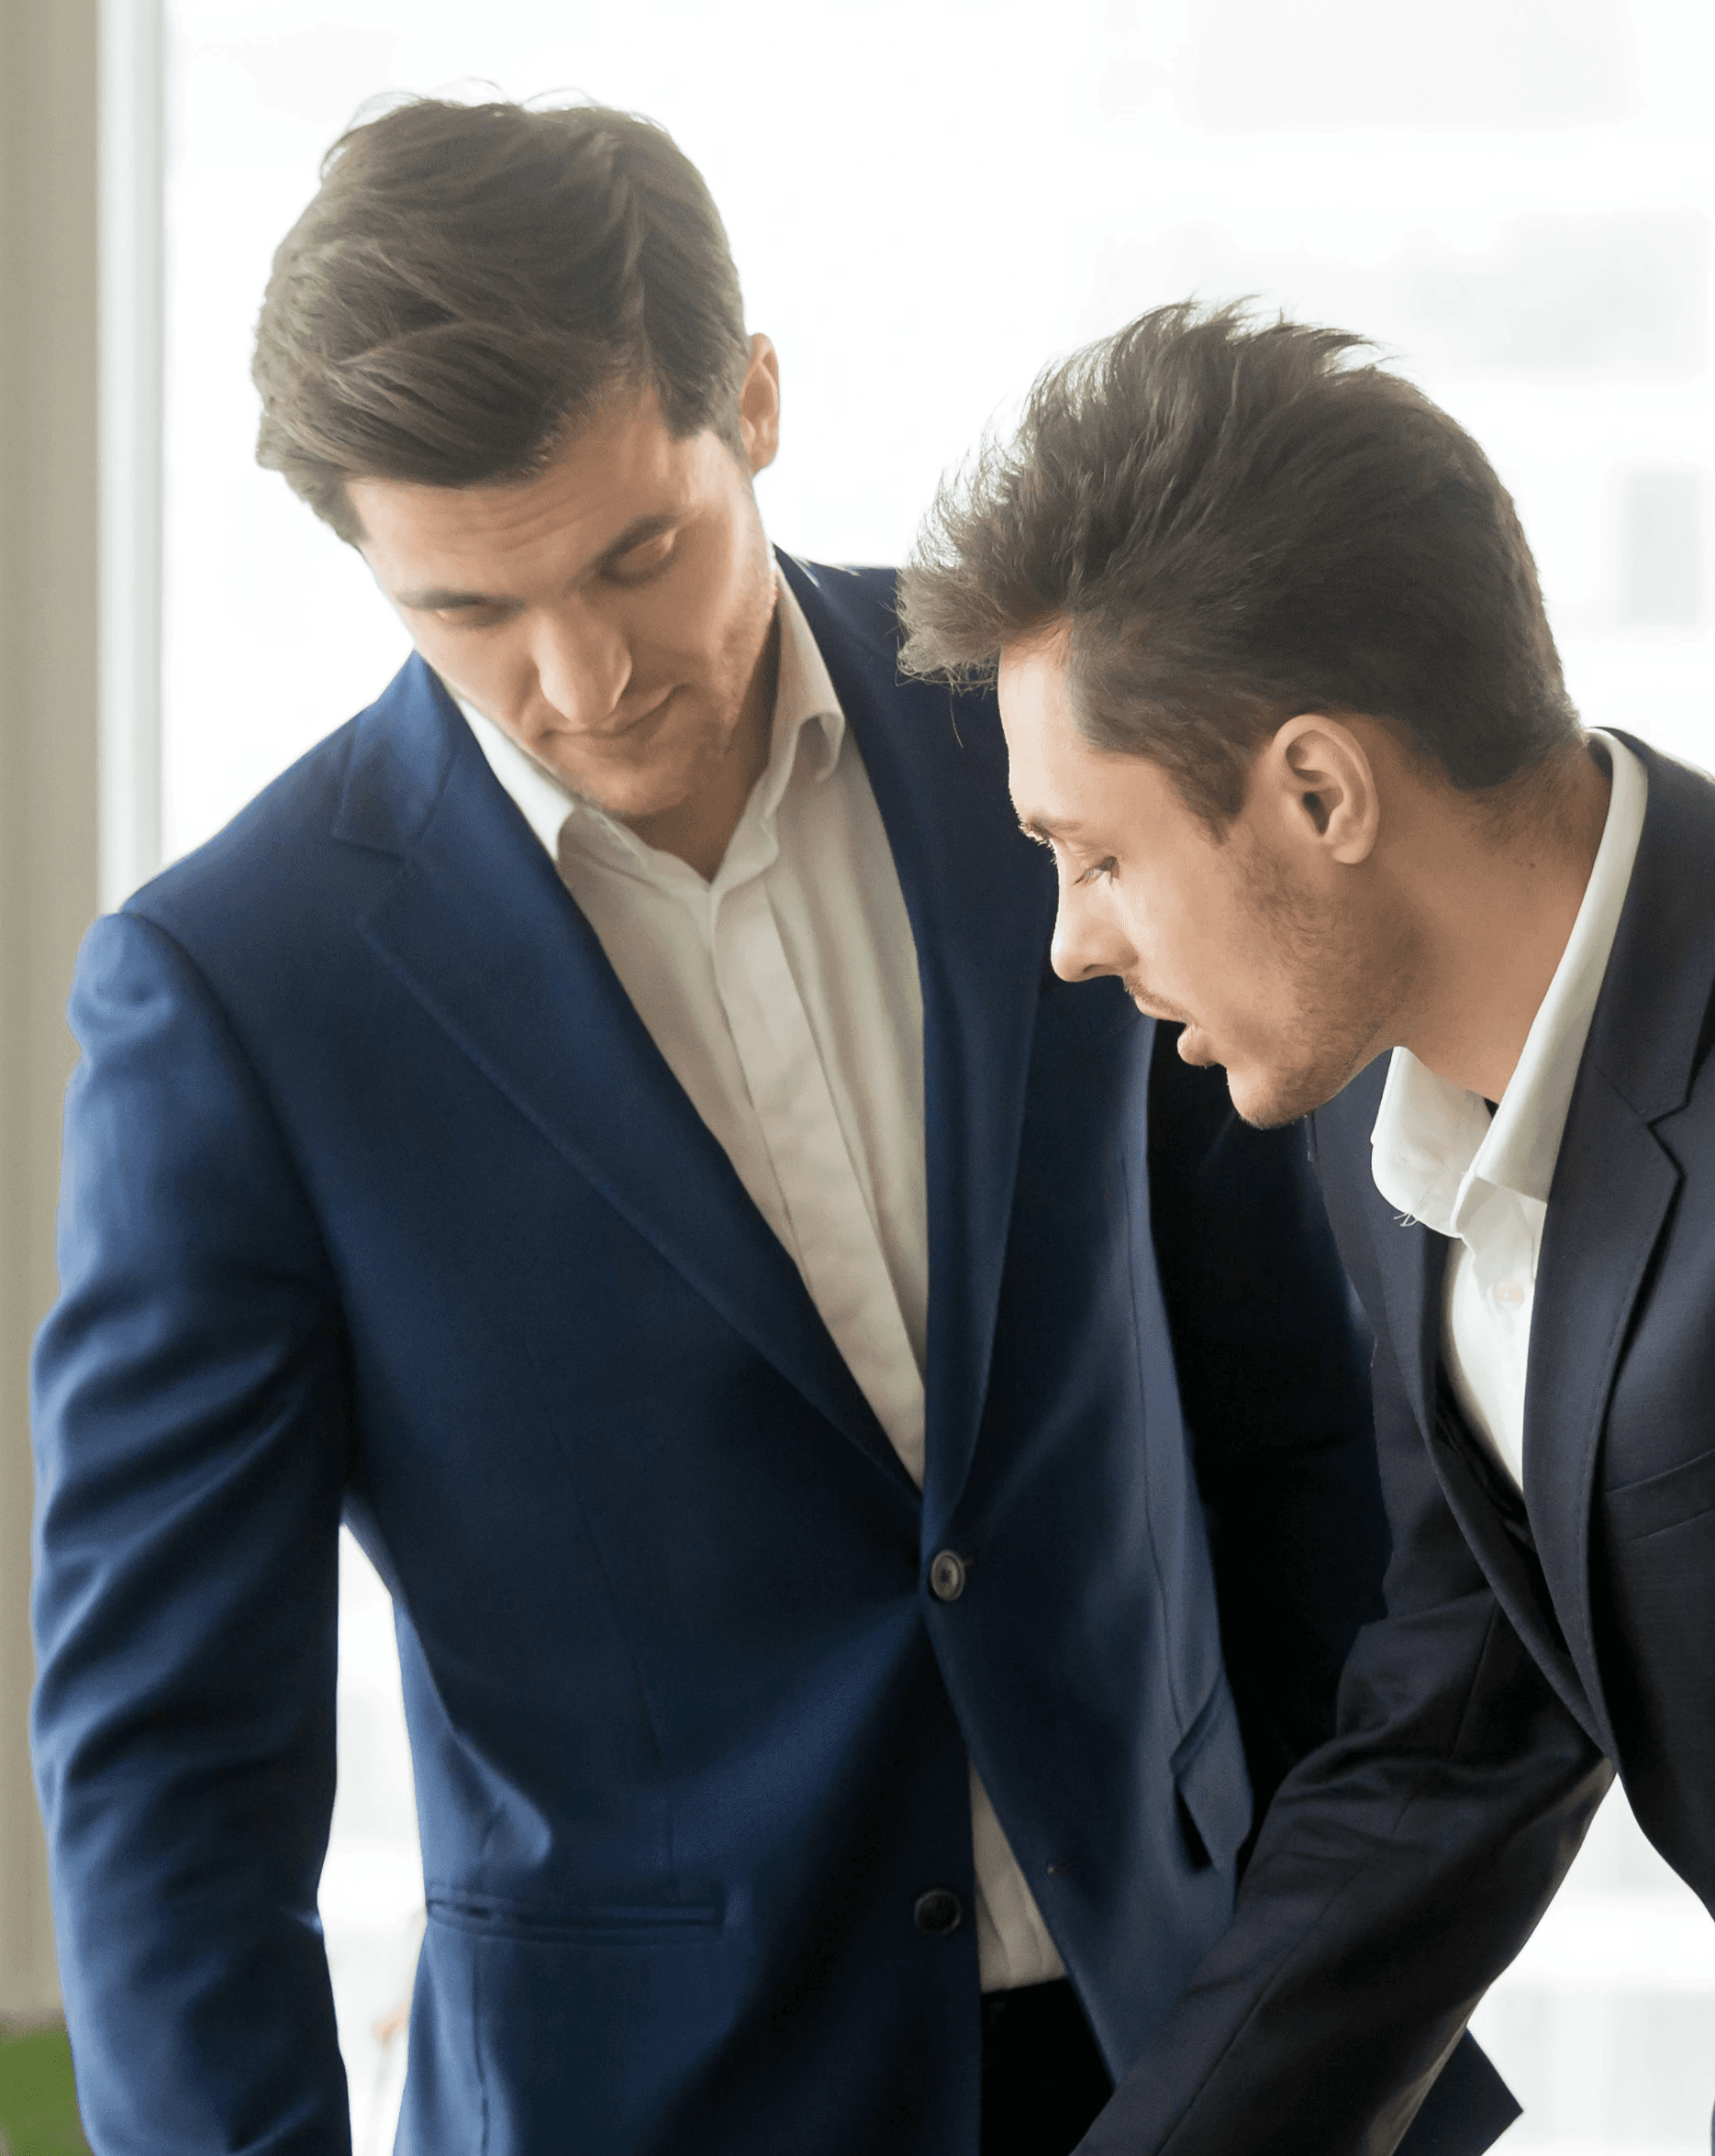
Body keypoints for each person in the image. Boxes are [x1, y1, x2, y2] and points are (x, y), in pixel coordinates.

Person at [28, 115, 1518, 2156]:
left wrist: (1377, 2034)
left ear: (754, 398)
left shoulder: (1056, 739)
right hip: (659, 2104)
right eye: (471, 607)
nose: (582, 672)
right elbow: (170, 1762)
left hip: (1199, 2040)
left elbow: (1296, 1423)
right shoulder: (234, 996)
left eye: (641, 550)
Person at [896, 301, 1715, 2156]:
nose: (1074, 939)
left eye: (1096, 851)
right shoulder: (1387, 1111)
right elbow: (1450, 1735)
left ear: (1321, 792)